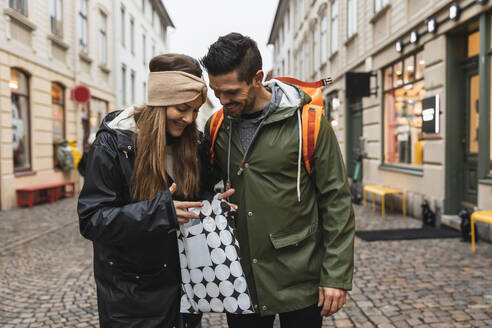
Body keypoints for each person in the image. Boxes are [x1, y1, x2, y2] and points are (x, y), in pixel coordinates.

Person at [201, 33, 355, 328]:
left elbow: (336, 200)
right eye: (216, 91)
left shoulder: (308, 123)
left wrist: (335, 275)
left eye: (231, 92)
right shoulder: (218, 124)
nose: (222, 100)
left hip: (300, 276)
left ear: (257, 77)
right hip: (242, 276)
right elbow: (201, 184)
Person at [77, 54, 224, 328]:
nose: (190, 118)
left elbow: (195, 200)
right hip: (133, 299)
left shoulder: (194, 144)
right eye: (182, 108)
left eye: (195, 110)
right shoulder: (113, 145)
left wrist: (213, 202)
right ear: (161, 101)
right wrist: (159, 212)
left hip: (186, 292)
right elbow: (92, 220)